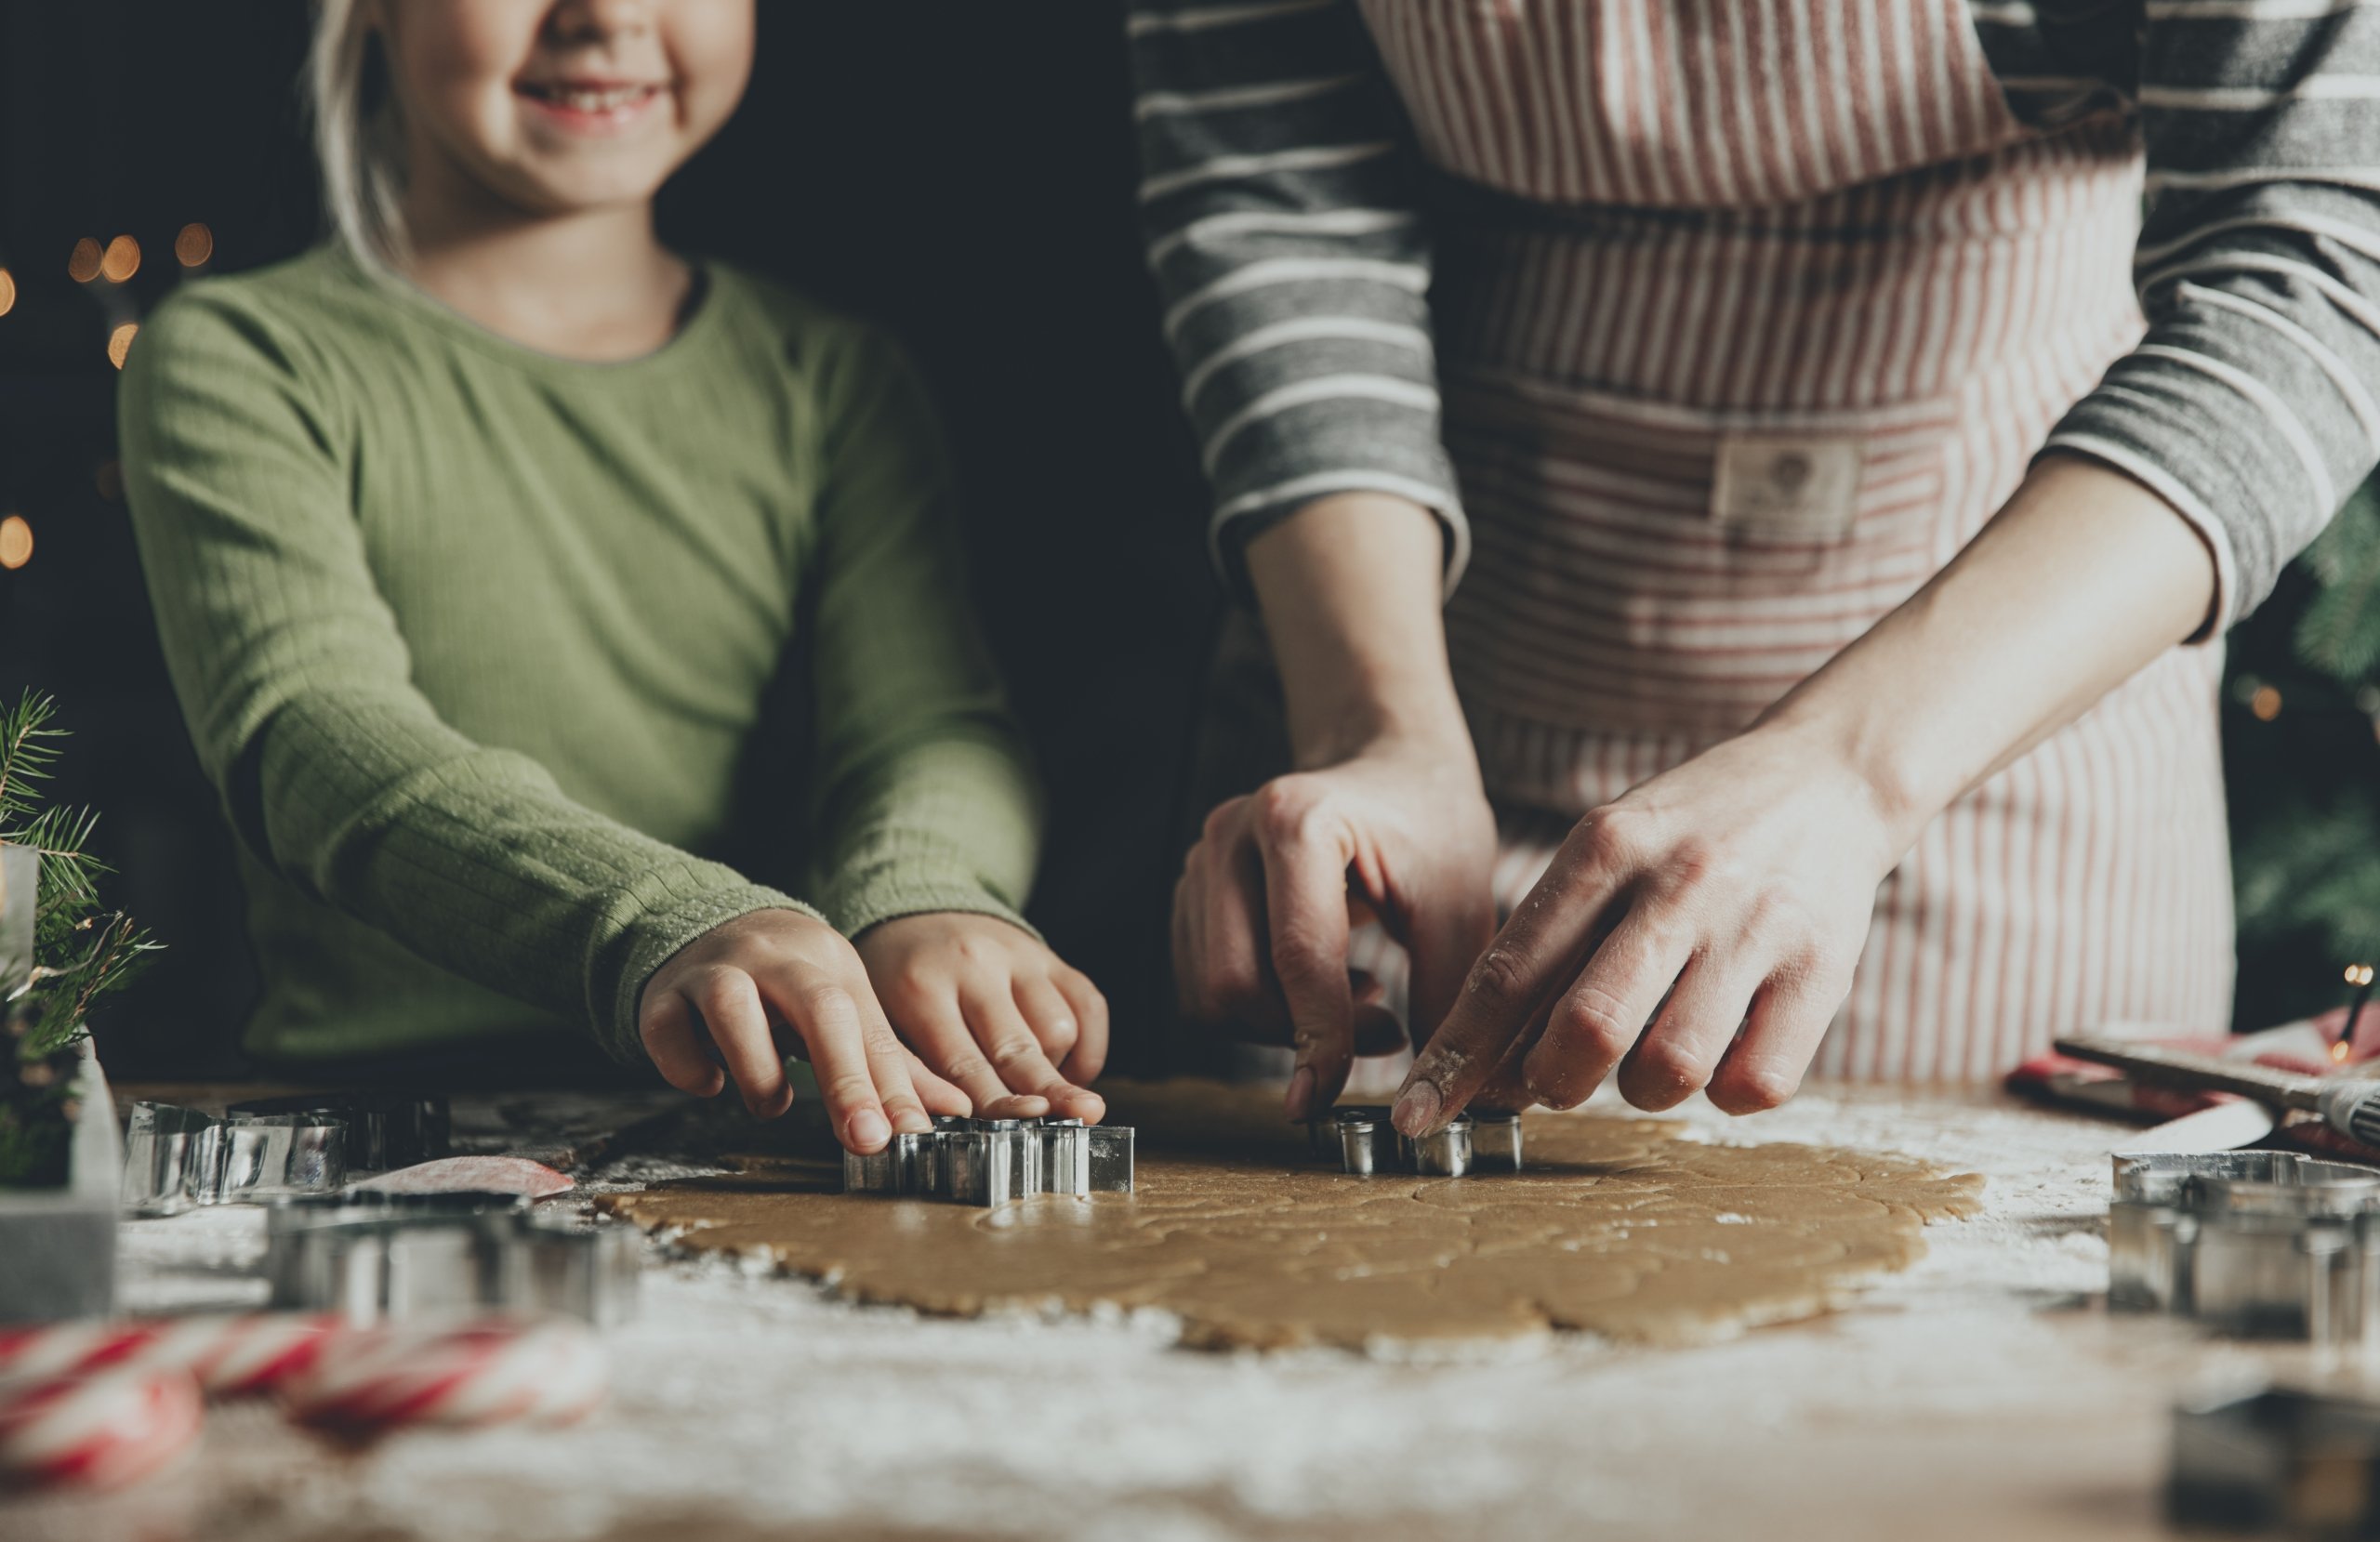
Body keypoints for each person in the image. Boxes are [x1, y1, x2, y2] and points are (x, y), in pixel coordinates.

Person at [1132, 1, 2380, 1135]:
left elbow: (2311, 255)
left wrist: (1848, 769)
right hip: (1418, 660)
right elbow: (1278, 200)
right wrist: (1377, 718)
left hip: (2000, 730)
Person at [119, 0, 1108, 1153]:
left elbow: (929, 723)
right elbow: (310, 730)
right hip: (384, 1135)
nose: (605, 18)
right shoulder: (242, 354)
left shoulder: (833, 383)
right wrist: (668, 921)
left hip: (781, 1127)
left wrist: (923, 892)